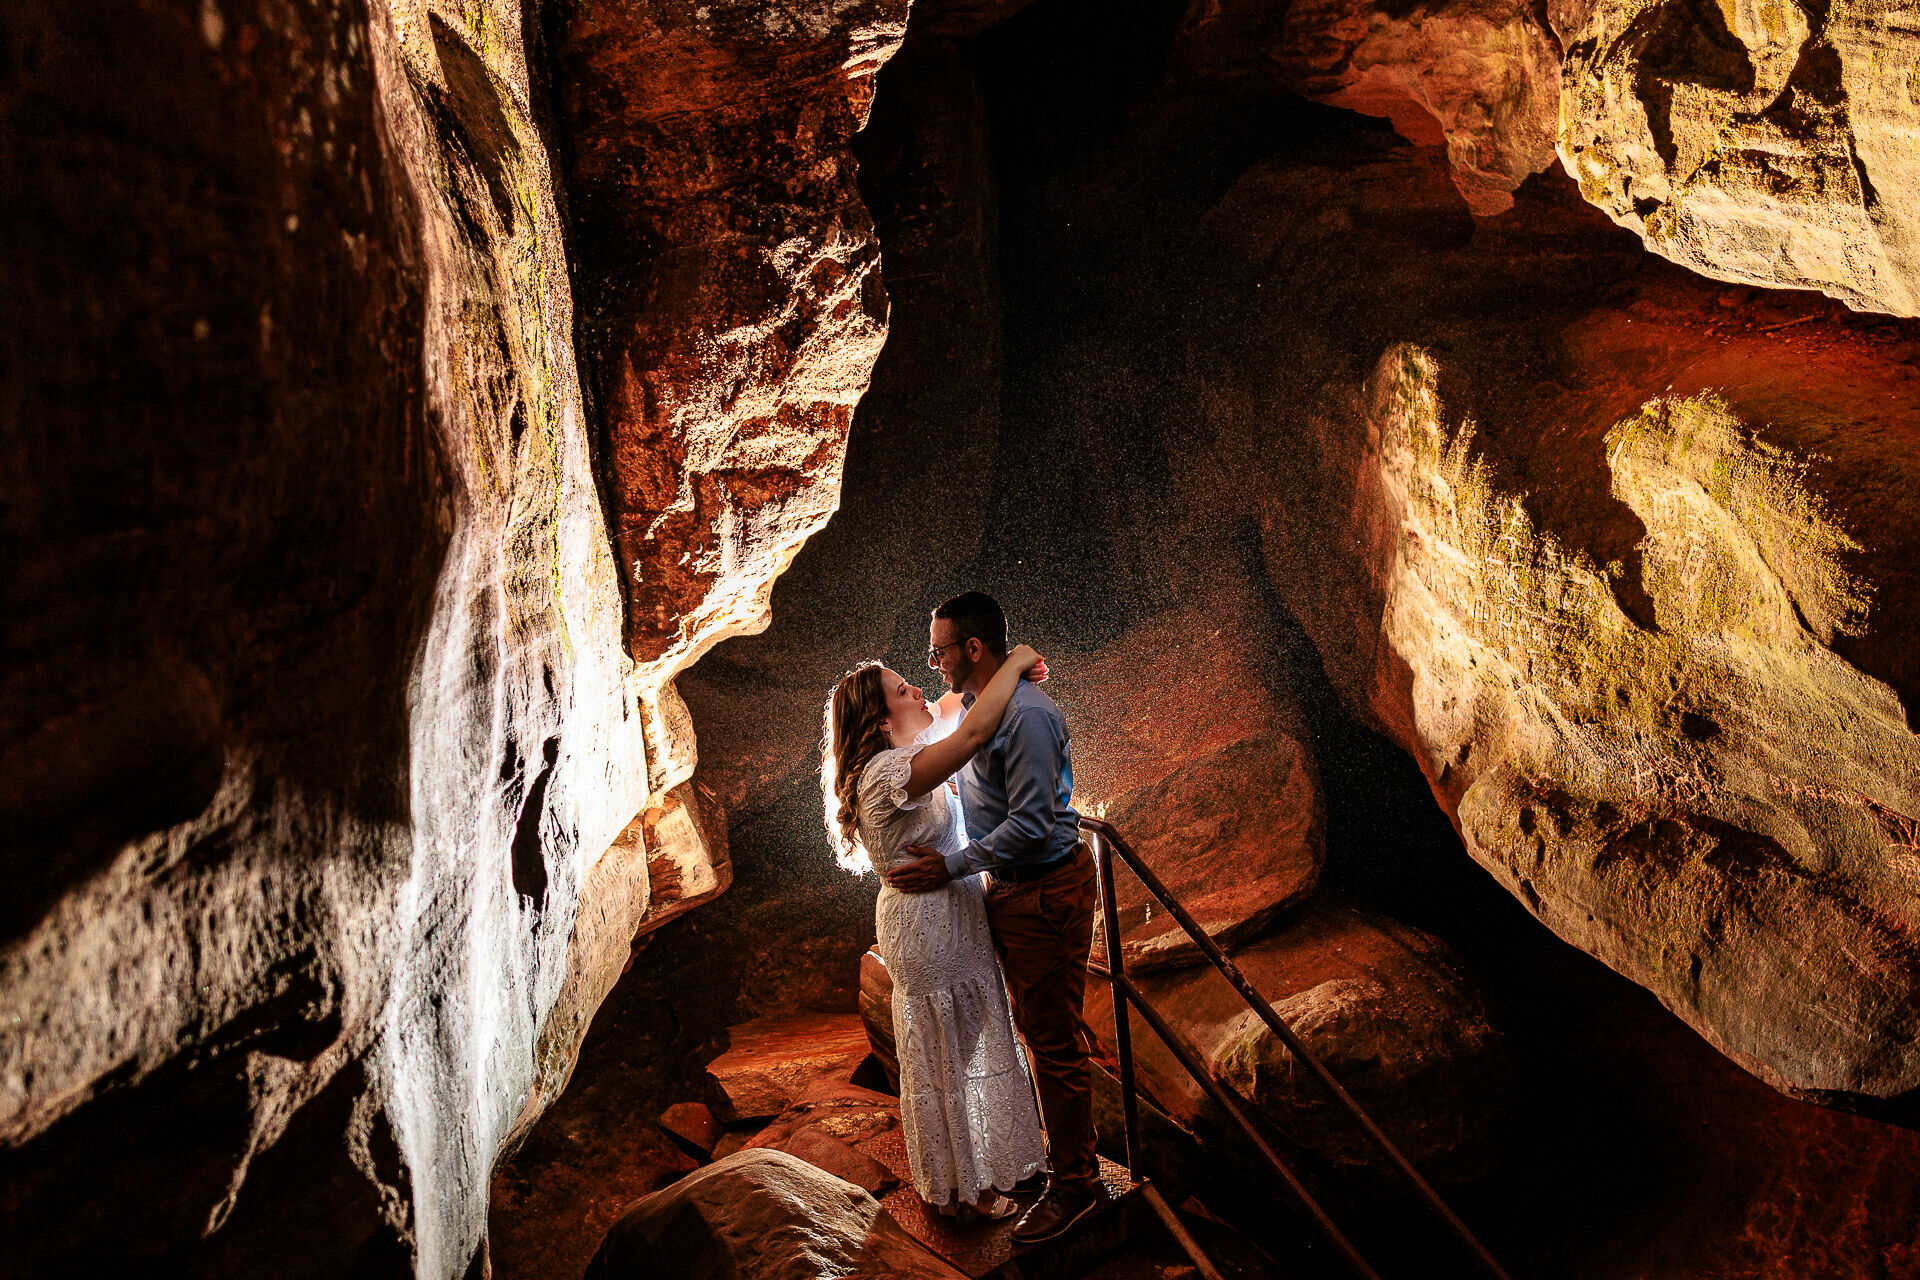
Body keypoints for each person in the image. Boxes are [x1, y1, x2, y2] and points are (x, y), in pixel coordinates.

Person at [887, 592, 1100, 1245]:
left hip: (1043, 889)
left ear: (973, 648)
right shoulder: (984, 703)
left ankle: (1078, 1188)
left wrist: (951, 867)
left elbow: (1032, 825)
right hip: (1014, 891)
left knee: (1054, 1040)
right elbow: (971, 763)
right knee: (1038, 1028)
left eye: (939, 651)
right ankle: (1052, 1164)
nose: (932, 663)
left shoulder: (1026, 716)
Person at [823, 644, 1051, 1221]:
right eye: (904, 691)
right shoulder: (885, 775)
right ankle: (962, 1194)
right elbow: (972, 733)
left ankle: (970, 1179)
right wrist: (1018, 659)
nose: (920, 691)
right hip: (928, 926)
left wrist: (1002, 667)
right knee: (948, 1056)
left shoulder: (910, 750)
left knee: (960, 1047)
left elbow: (956, 700)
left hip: (950, 916)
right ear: (881, 722)